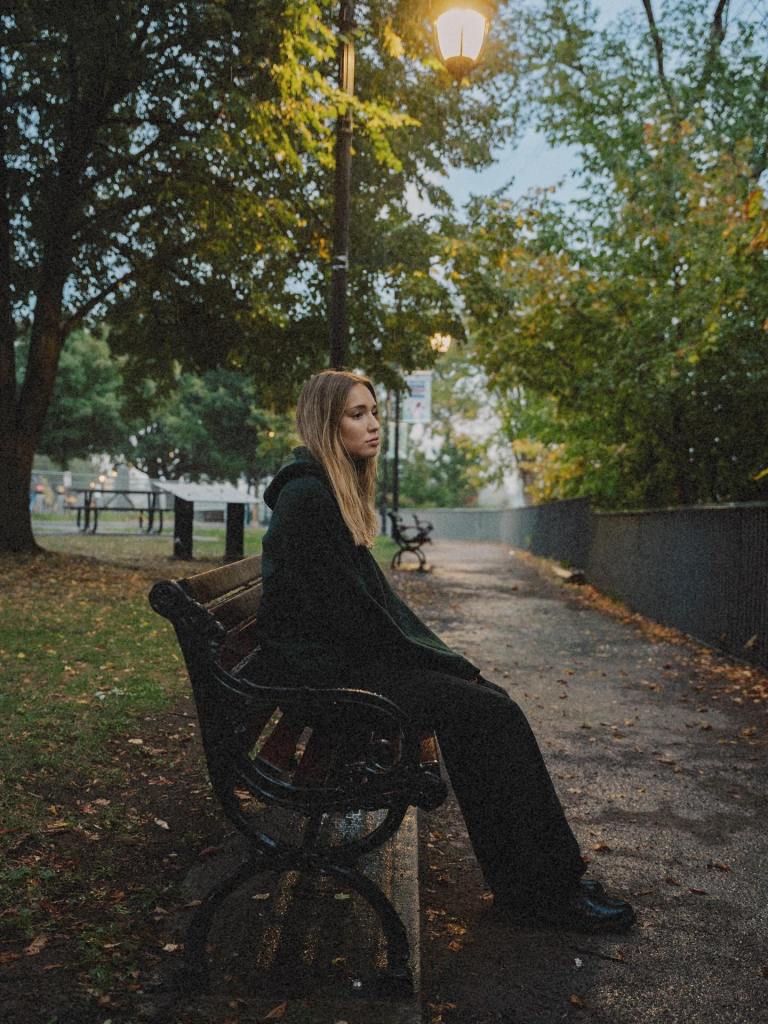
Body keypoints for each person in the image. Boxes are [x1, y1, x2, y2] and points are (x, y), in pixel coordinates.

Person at [253, 369, 635, 933]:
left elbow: (365, 610)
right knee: (492, 714)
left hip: (336, 666)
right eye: (357, 415)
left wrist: (448, 666)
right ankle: (546, 890)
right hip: (324, 679)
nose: (374, 424)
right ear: (325, 424)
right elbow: (356, 617)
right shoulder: (309, 497)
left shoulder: (323, 489)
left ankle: (536, 883)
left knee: (488, 707)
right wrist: (443, 666)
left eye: (374, 412)